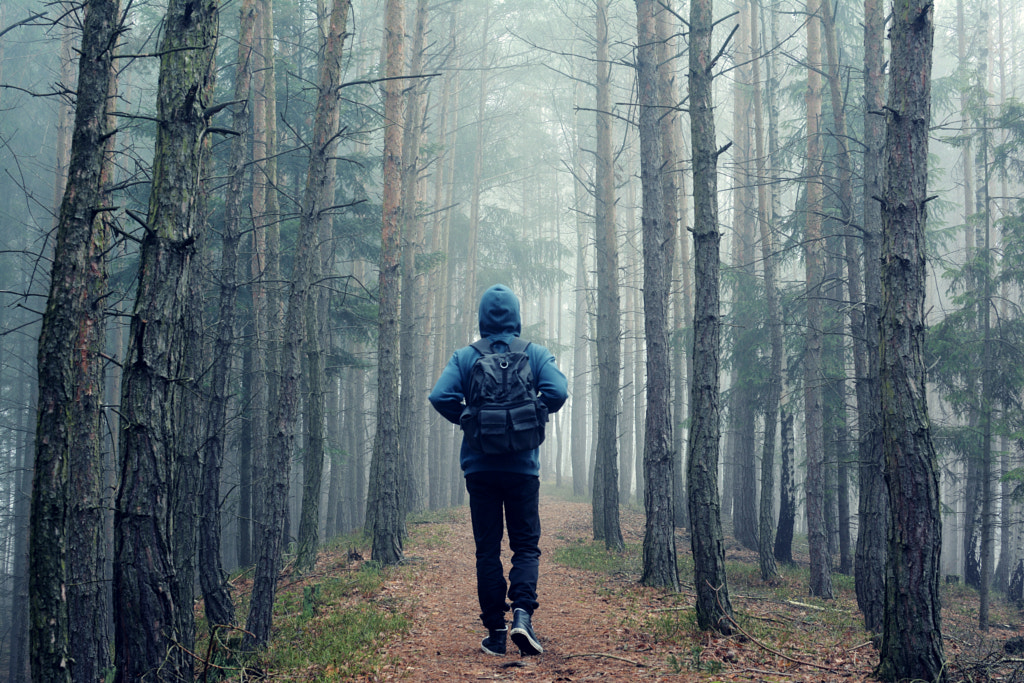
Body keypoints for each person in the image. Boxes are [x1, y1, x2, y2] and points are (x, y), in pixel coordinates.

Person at [429, 284, 568, 657]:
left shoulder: (465, 357)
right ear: (516, 318)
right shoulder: (535, 354)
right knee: (525, 545)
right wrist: (533, 411)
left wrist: (469, 417)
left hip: (480, 467)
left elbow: (439, 396)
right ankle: (523, 615)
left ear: (482, 319)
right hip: (524, 468)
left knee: (487, 550)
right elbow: (557, 392)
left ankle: (495, 632)